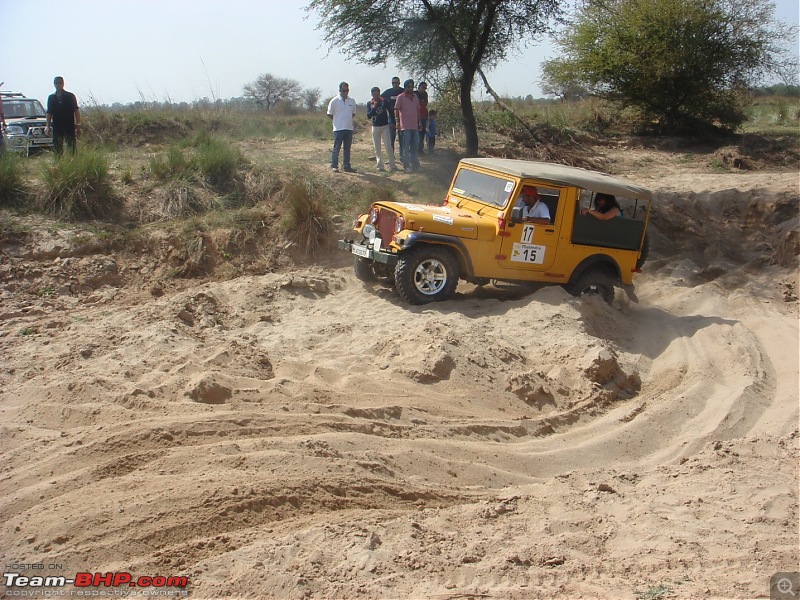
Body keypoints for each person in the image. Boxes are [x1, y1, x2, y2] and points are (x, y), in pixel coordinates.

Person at [326, 81, 357, 173]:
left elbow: (353, 113)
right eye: (343, 90)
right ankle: (334, 165)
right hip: (338, 128)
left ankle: (347, 166)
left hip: (348, 128)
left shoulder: (352, 101)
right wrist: (337, 121)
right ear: (339, 90)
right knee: (337, 148)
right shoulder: (334, 101)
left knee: (347, 148)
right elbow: (329, 114)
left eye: (347, 90)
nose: (345, 92)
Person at [45, 76, 81, 155]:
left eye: (60, 83)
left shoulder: (70, 96)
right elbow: (49, 113)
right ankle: (59, 163)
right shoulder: (51, 98)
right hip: (57, 125)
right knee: (57, 146)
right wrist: (47, 126)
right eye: (56, 83)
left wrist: (78, 123)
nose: (58, 84)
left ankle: (72, 161)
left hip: (69, 124)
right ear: (54, 84)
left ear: (63, 84)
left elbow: (76, 110)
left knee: (71, 146)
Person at [366, 87, 398, 172]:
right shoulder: (370, 103)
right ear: (372, 94)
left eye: (378, 94)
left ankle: (392, 164)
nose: (376, 96)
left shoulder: (385, 101)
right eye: (374, 94)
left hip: (385, 126)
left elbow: (391, 112)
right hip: (375, 126)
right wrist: (375, 106)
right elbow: (369, 115)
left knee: (388, 146)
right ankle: (380, 165)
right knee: (377, 147)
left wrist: (393, 123)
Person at [394, 79, 421, 173]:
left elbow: (417, 111)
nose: (410, 88)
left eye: (411, 86)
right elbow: (396, 110)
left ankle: (415, 165)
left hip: (415, 126)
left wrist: (420, 123)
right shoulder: (400, 97)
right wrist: (397, 122)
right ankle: (407, 166)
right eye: (408, 86)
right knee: (405, 147)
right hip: (405, 127)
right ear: (405, 87)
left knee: (415, 147)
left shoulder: (415, 97)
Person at [381, 77, 403, 159]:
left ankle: (402, 156)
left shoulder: (402, 91)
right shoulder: (388, 92)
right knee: (391, 138)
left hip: (402, 117)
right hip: (391, 117)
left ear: (399, 83)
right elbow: (380, 98)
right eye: (393, 83)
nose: (394, 84)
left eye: (396, 82)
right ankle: (391, 157)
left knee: (402, 138)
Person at [415, 81, 429, 154]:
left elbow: (426, 103)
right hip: (416, 116)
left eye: (425, 88)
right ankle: (415, 149)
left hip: (424, 115)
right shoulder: (415, 94)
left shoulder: (425, 94)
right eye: (422, 87)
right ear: (419, 87)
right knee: (416, 133)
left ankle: (420, 150)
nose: (424, 89)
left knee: (422, 133)